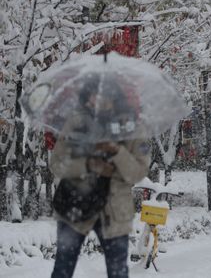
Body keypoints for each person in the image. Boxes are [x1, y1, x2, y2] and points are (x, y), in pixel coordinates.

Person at [49, 75, 151, 278]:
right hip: (75, 204)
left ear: (114, 98)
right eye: (92, 95)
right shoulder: (75, 123)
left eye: (103, 96)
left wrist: (117, 152)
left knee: (117, 272)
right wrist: (87, 164)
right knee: (63, 269)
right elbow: (57, 164)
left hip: (114, 211)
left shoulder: (132, 127)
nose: (96, 101)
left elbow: (138, 172)